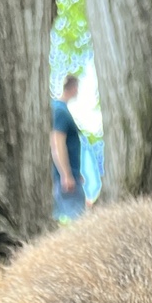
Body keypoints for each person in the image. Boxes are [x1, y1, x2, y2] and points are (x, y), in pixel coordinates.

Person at [51, 75, 85, 222]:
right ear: (74, 88)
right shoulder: (60, 112)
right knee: (79, 223)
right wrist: (66, 175)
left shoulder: (61, 110)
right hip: (66, 182)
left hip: (71, 176)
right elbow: (57, 143)